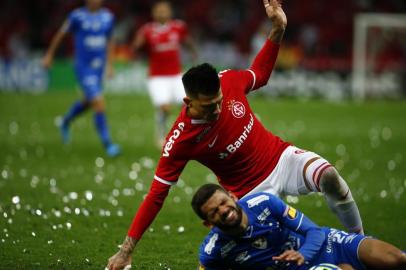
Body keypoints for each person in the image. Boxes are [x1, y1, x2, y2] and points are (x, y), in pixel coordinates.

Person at [107, 0, 363, 268]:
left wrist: (278, 28)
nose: (218, 109)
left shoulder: (228, 81)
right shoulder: (180, 140)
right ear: (188, 103)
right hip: (250, 192)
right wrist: (126, 249)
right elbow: (156, 196)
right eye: (208, 106)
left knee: (330, 176)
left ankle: (358, 240)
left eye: (219, 101)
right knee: (279, 252)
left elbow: (260, 74)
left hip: (281, 158)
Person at [192, 184, 406, 270]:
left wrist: (302, 253)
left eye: (223, 202)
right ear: (208, 222)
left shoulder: (264, 202)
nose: (223, 210)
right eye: (214, 212)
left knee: (395, 259)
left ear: (233, 197)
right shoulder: (213, 251)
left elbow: (313, 231)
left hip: (329, 242)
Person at [42, 0, 120, 157]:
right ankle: (108, 144)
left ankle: (66, 121)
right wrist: (50, 55)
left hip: (98, 67)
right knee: (98, 102)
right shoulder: (76, 16)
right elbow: (60, 35)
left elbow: (111, 40)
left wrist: (110, 64)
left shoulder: (108, 17)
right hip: (83, 67)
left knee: (88, 101)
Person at [131, 0, 197, 147]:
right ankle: (161, 135)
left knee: (188, 105)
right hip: (157, 77)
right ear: (153, 13)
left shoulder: (178, 27)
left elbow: (187, 41)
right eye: (159, 10)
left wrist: (193, 53)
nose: (162, 13)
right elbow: (135, 46)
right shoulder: (147, 30)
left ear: (170, 12)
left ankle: (186, 134)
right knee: (165, 107)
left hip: (176, 75)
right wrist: (136, 48)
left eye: (165, 10)